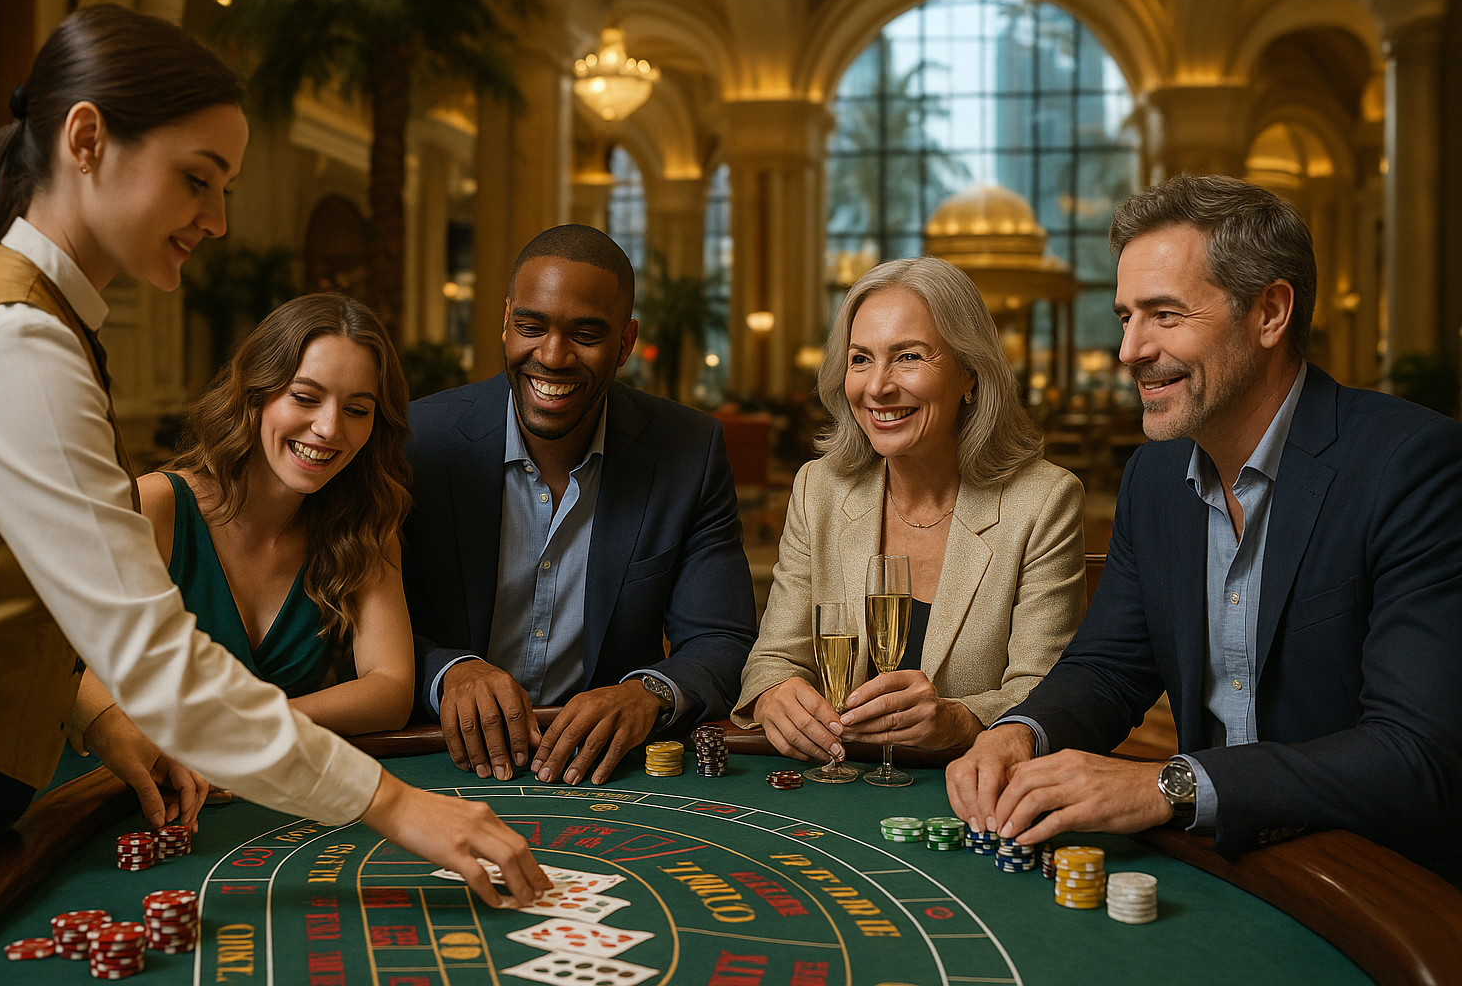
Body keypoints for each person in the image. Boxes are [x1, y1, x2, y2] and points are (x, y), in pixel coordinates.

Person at [0, 3, 550, 904]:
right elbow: (152, 660)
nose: (217, 219)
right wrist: (398, 806)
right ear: (88, 139)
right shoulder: (16, 342)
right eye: (197, 179)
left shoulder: (41, 325)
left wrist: (102, 729)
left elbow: (37, 607)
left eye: (225, 187)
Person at [945, 174, 1462, 885]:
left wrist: (1169, 784)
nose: (1129, 350)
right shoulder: (1154, 480)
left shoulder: (1412, 466)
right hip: (1226, 872)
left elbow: (1416, 757)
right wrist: (1018, 733)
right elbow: (1107, 670)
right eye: (1125, 316)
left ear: (1271, 312)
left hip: (1381, 889)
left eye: (1163, 314)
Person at [404, 224, 757, 786]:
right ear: (505, 322)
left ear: (625, 342)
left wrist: (646, 693)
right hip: (434, 758)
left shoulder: (688, 451)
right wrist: (448, 672)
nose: (552, 356)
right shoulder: (417, 440)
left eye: (586, 334)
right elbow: (352, 620)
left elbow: (724, 639)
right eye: (530, 327)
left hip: (606, 775)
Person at [731, 256, 1086, 761]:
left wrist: (960, 719)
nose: (877, 387)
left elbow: (1047, 695)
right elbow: (773, 658)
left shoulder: (1043, 502)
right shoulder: (820, 490)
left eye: (908, 357)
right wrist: (774, 694)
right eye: (860, 359)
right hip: (835, 782)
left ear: (970, 373)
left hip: (965, 790)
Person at [70, 294, 415, 756]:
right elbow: (62, 665)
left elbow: (390, 689)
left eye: (357, 409)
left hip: (250, 791)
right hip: (104, 789)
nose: (330, 428)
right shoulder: (156, 506)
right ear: (256, 393)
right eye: (305, 398)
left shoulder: (363, 525)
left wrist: (253, 723)